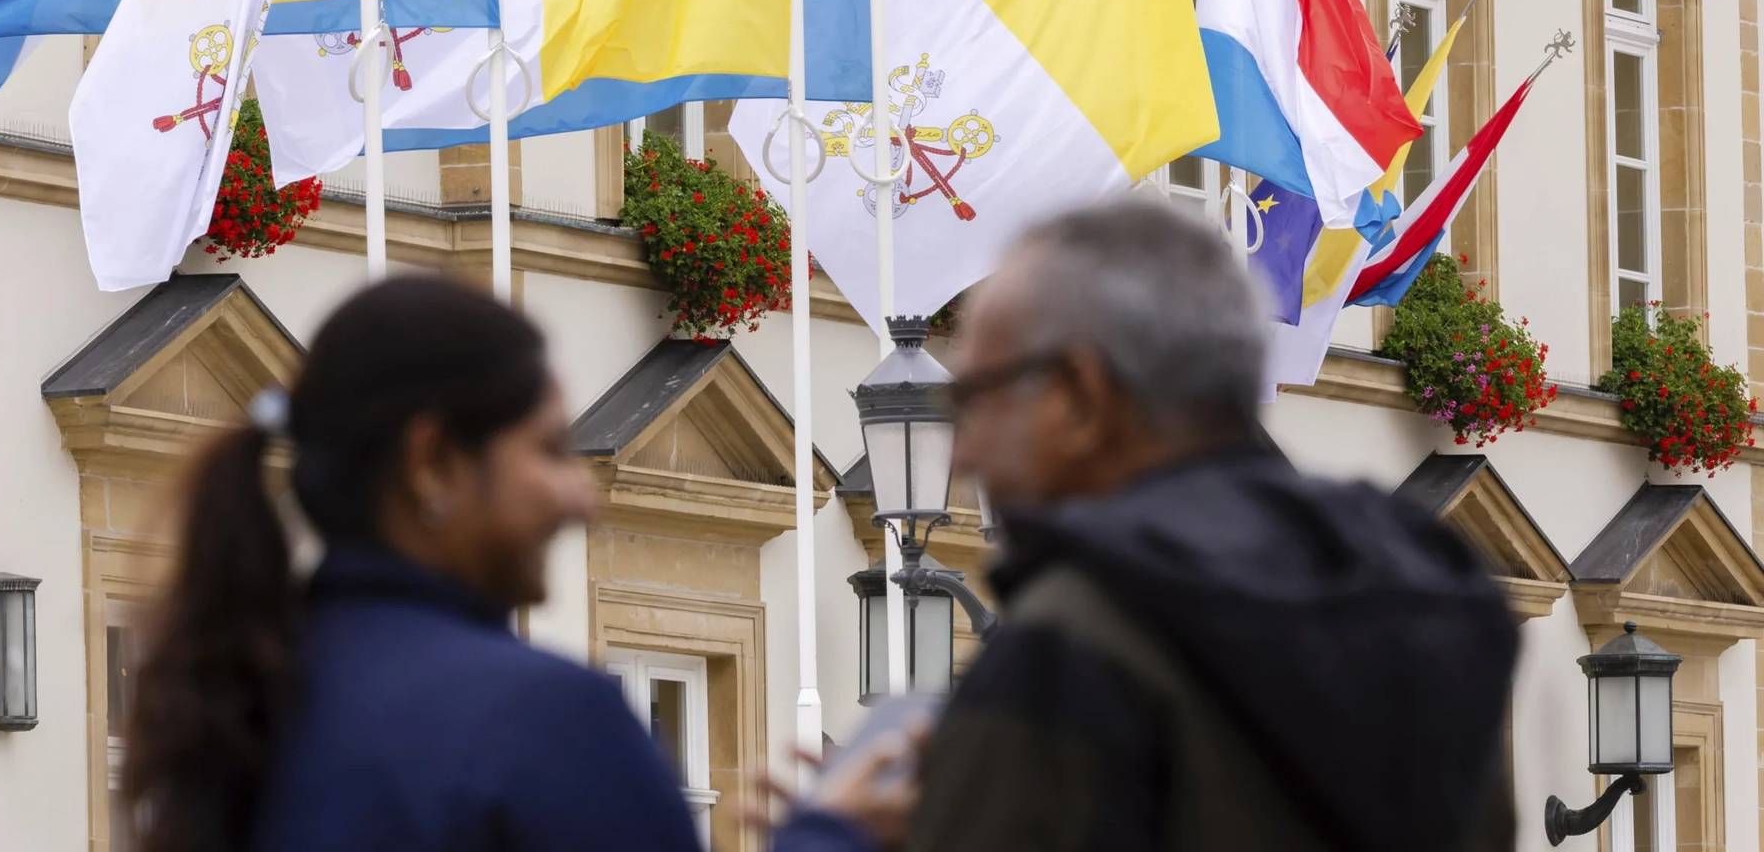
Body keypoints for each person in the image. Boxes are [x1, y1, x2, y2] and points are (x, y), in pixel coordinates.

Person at [124, 275, 903, 852]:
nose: (581, 497)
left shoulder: (239, 704)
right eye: (548, 450)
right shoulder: (543, 723)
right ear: (431, 463)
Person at [900, 196, 1519, 851]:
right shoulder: (1427, 608)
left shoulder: (1080, 636)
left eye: (973, 398)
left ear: (1081, 395)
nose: (961, 452)